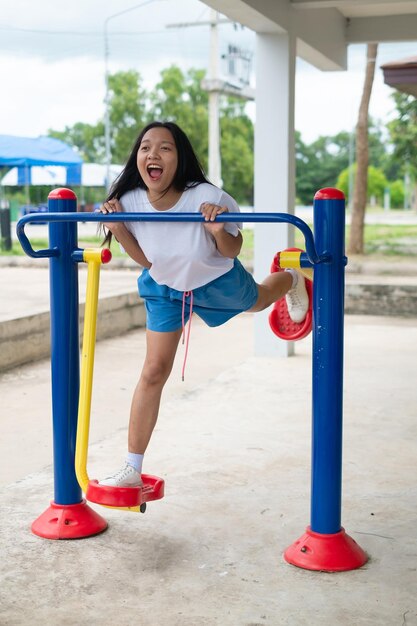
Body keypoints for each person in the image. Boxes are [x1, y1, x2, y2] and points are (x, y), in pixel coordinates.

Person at [98, 120, 309, 488]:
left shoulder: (206, 196)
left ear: (179, 159)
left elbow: (234, 247)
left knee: (258, 302)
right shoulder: (129, 201)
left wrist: (215, 231)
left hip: (213, 278)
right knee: (152, 371)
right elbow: (148, 260)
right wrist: (117, 229)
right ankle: (132, 467)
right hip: (165, 284)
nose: (153, 154)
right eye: (146, 147)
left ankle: (293, 277)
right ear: (138, 157)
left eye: (165, 148)